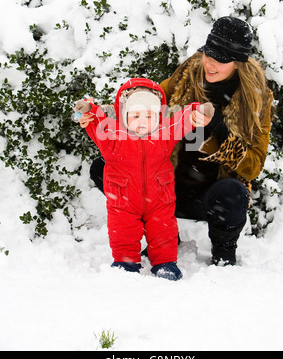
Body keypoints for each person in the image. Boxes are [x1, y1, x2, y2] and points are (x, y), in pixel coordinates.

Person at [158, 16, 273, 266]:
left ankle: (224, 250)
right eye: (208, 54)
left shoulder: (256, 99)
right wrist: (103, 113)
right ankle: (162, 236)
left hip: (212, 196)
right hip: (168, 189)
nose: (210, 63)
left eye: (220, 59)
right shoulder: (189, 74)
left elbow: (252, 166)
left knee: (234, 192)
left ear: (238, 63)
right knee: (108, 169)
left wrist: (219, 127)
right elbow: (151, 98)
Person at [75, 77, 205, 280]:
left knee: (163, 231)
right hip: (123, 200)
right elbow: (97, 119)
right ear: (124, 115)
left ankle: (165, 263)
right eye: (135, 115)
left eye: (149, 116)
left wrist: (196, 112)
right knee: (123, 232)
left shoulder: (164, 133)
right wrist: (88, 110)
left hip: (159, 199)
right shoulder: (112, 136)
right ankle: (125, 262)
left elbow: (182, 118)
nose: (142, 121)